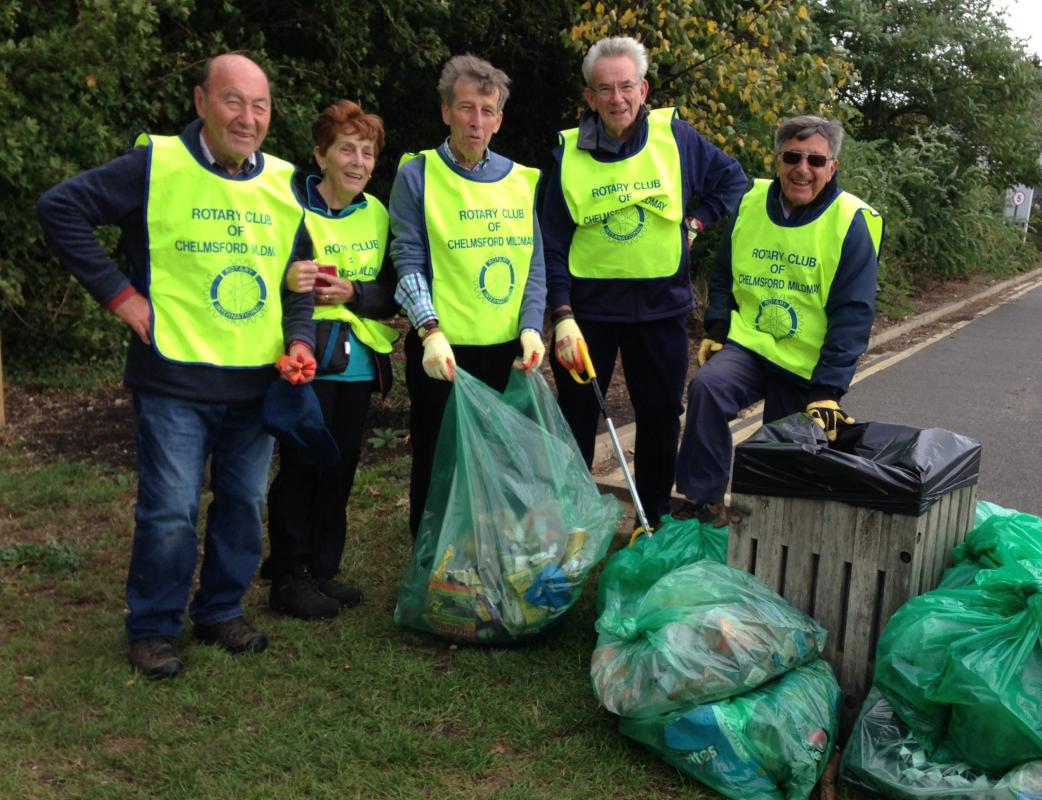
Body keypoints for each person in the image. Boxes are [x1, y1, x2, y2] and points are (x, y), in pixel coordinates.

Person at [36, 54, 317, 678]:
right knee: (171, 509)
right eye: (233, 101)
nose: (248, 118)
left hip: (257, 384)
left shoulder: (285, 181)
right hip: (174, 379)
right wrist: (121, 295)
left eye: (260, 105)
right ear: (201, 102)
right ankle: (155, 627)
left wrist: (299, 341)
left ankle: (219, 610)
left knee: (243, 503)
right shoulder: (155, 165)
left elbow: (298, 280)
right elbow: (60, 210)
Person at [542, 35, 747, 531]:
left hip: (661, 309)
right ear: (589, 97)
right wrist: (562, 314)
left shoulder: (676, 139)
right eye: (604, 89)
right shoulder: (567, 153)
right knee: (574, 421)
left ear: (644, 89)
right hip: (587, 315)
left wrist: (695, 224)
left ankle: (650, 517)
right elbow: (550, 241)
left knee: (658, 419)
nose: (617, 99)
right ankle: (573, 520)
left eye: (626, 86)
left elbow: (733, 181)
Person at [674, 115, 883, 526]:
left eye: (815, 160)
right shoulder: (751, 201)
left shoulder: (850, 223)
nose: (802, 169)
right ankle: (703, 505)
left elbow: (853, 315)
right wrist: (718, 327)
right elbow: (724, 271)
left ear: (833, 167)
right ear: (777, 160)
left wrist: (828, 390)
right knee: (707, 389)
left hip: (805, 367)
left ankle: (766, 529)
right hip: (751, 345)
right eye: (792, 156)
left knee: (782, 451)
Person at [390, 54, 546, 539]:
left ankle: (496, 557)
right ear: (445, 112)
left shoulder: (521, 180)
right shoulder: (417, 175)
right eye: (465, 108)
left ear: (499, 119)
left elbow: (533, 262)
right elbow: (408, 256)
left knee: (504, 460)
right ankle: (432, 564)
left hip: (506, 352)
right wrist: (428, 330)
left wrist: (532, 325)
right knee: (438, 461)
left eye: (486, 110)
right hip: (444, 352)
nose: (475, 121)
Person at [261, 100, 399, 619]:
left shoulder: (380, 214)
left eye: (368, 152)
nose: (359, 161)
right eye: (347, 149)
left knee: (340, 469)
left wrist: (356, 292)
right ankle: (287, 575)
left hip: (359, 365)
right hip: (304, 360)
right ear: (321, 153)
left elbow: (393, 290)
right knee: (301, 465)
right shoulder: (286, 209)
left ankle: (323, 570)